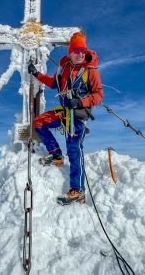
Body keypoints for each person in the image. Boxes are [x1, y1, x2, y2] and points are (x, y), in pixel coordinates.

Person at [28, 31, 103, 204]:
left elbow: (99, 95)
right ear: (70, 52)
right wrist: (36, 74)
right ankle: (56, 155)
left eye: (82, 51)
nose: (80, 54)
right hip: (64, 111)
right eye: (76, 51)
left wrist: (80, 101)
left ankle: (78, 191)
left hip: (77, 115)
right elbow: (53, 83)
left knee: (74, 148)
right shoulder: (65, 68)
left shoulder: (90, 71)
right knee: (39, 122)